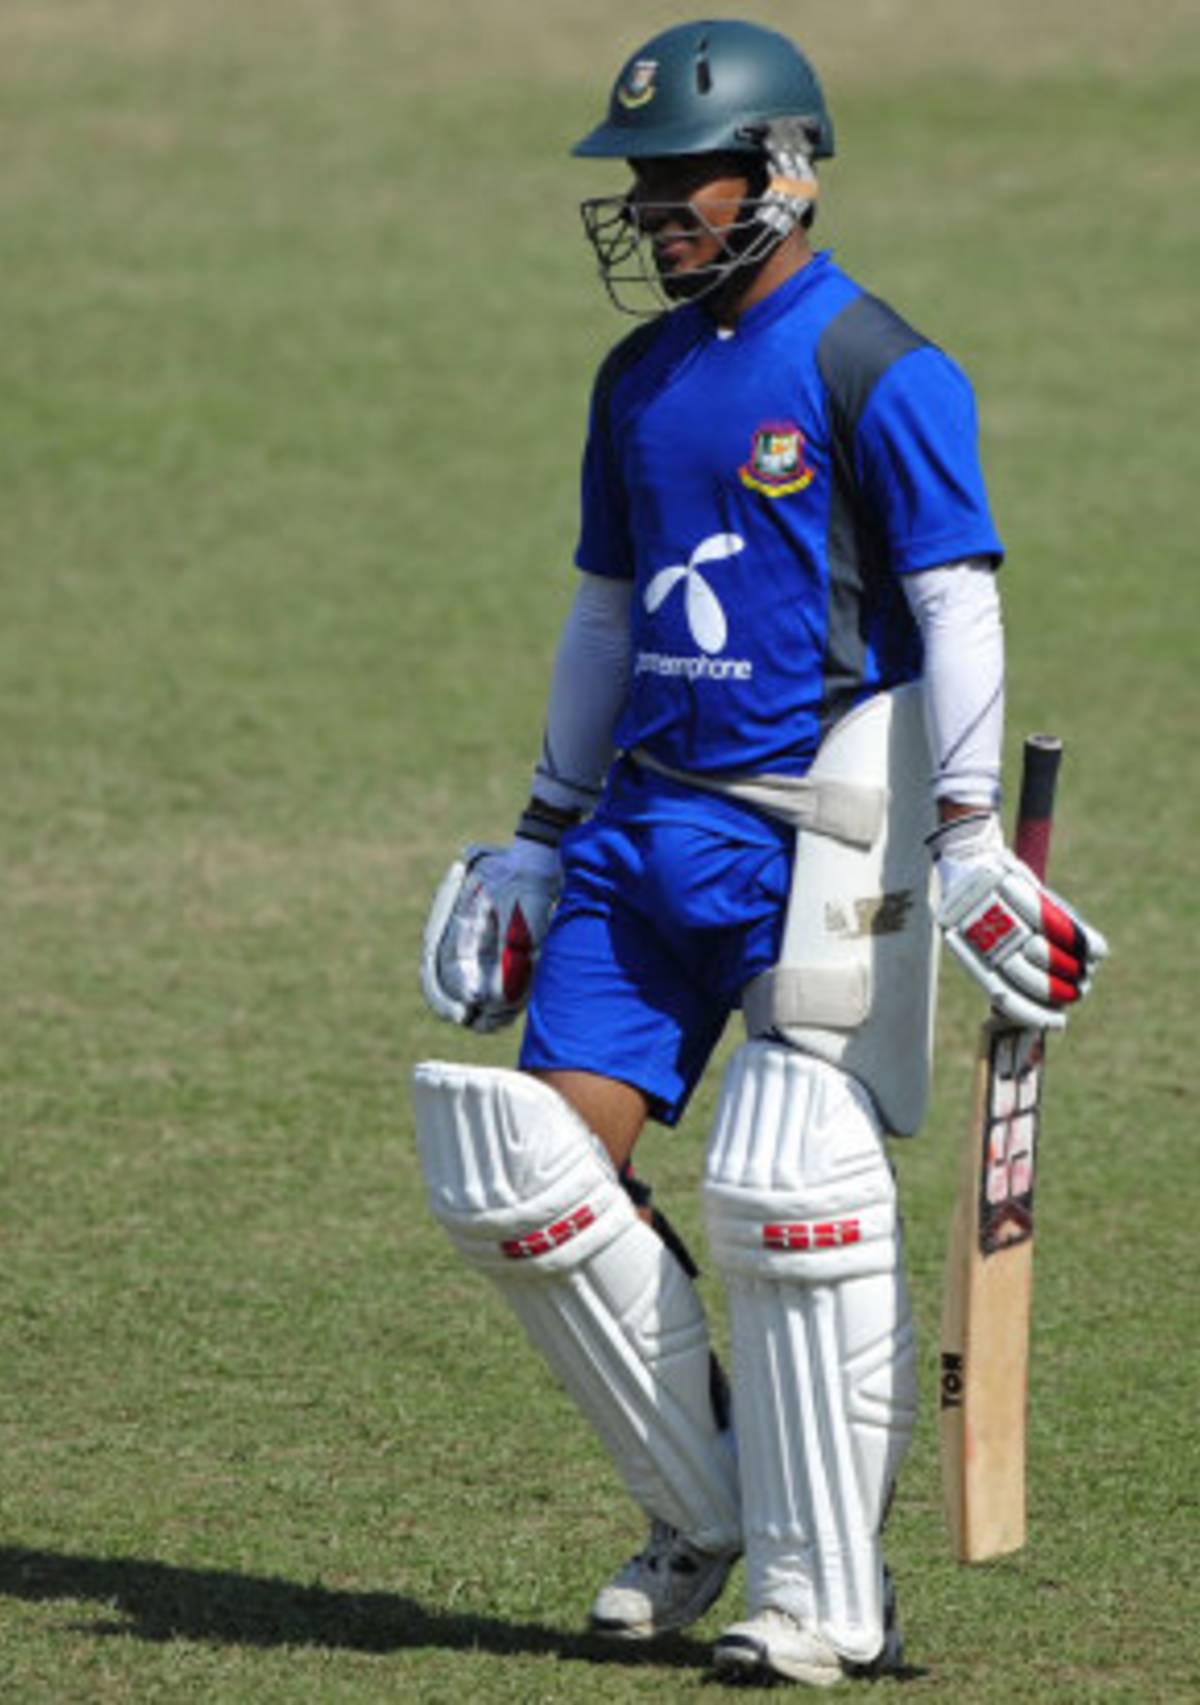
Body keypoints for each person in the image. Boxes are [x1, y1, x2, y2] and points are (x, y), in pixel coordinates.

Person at [413, 18, 1105, 1690]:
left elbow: (956, 604)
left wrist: (962, 838)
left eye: (684, 178)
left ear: (784, 175)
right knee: (531, 1178)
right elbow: (604, 609)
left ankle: (821, 1593)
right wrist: (536, 832)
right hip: (637, 839)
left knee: (786, 1185)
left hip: (816, 841)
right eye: (641, 183)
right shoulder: (637, 378)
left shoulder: (880, 366)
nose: (654, 209)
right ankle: (703, 1508)